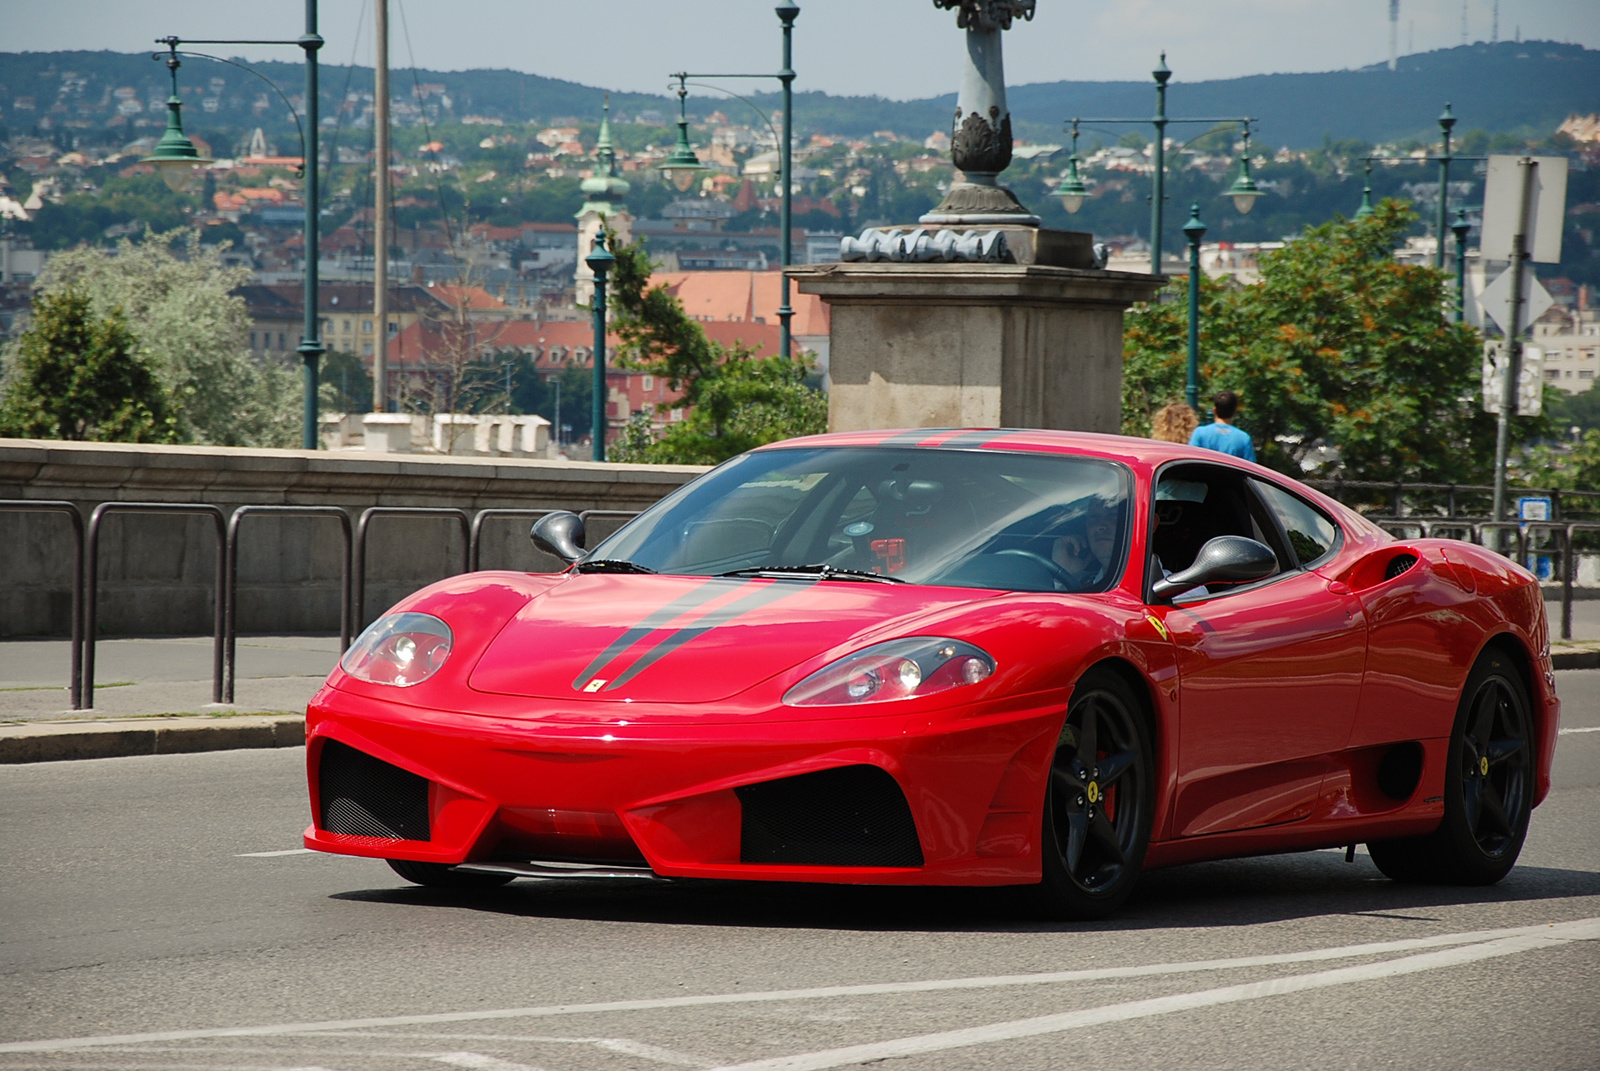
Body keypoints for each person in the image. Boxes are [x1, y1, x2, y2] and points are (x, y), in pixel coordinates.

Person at [1188, 390, 1256, 461]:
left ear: (1215, 410)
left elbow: (1191, 459)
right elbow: (1251, 466)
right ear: (1234, 412)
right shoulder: (1244, 438)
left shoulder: (1200, 433)